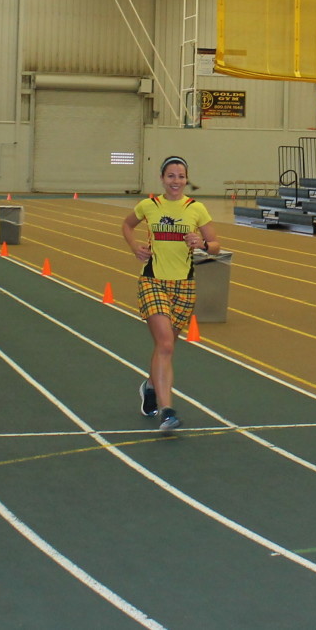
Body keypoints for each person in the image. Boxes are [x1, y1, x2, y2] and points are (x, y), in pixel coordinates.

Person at [121, 156, 220, 433]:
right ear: (162, 178)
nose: (176, 181)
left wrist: (201, 243)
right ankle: (167, 411)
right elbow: (127, 225)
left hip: (184, 286)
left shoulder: (196, 208)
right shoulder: (149, 205)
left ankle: (150, 386)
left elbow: (215, 246)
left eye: (180, 176)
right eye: (171, 176)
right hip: (153, 281)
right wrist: (134, 246)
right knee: (164, 344)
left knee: (167, 346)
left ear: (186, 179)